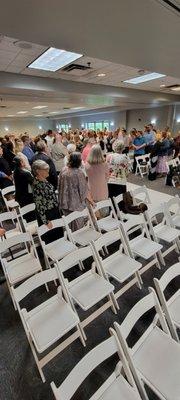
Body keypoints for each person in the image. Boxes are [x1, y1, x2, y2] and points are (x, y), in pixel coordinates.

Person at [58, 152, 91, 230]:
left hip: (64, 201)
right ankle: (77, 240)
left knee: (68, 223)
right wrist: (89, 201)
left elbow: (59, 184)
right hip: (75, 203)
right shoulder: (79, 173)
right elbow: (83, 191)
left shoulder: (63, 170)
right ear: (78, 161)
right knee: (78, 227)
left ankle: (70, 239)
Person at [32, 160, 60, 228]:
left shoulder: (44, 180)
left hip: (54, 211)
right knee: (53, 236)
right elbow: (39, 206)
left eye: (48, 169)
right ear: (38, 171)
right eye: (45, 169)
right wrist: (46, 221)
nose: (48, 170)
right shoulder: (37, 185)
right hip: (47, 215)